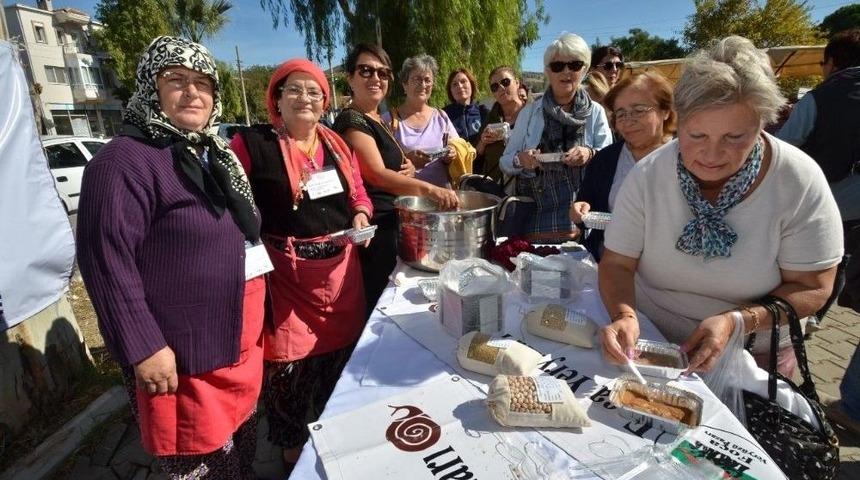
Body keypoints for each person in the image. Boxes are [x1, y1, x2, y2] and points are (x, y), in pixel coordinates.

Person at [598, 36, 843, 381]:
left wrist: (738, 321)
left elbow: (813, 286)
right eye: (697, 136)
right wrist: (624, 315)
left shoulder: (798, 180)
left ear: (762, 124)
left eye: (734, 137)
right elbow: (617, 264)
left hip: (754, 349)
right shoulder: (648, 174)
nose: (712, 155)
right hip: (653, 341)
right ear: (679, 121)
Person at [76, 36, 264, 479]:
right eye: (175, 79)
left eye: (203, 82)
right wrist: (144, 346)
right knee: (204, 464)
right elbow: (105, 261)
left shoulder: (212, 151)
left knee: (242, 453)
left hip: (234, 343)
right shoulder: (123, 162)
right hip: (180, 357)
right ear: (150, 87)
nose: (193, 92)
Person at [228, 58, 372, 468]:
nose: (304, 98)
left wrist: (361, 215)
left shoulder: (337, 145)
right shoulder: (251, 144)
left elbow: (358, 193)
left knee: (338, 372)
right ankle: (292, 459)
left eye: (313, 91)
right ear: (276, 98)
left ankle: (336, 449)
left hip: (341, 275)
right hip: (287, 281)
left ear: (324, 101)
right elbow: (229, 198)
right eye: (293, 89)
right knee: (289, 379)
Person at [334, 44, 459, 315]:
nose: (376, 78)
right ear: (350, 78)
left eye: (383, 73)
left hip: (394, 225)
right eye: (366, 71)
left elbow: (391, 165)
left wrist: (409, 167)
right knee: (384, 310)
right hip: (377, 230)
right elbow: (376, 175)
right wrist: (431, 190)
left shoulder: (375, 119)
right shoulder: (352, 120)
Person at [500, 33, 613, 242]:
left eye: (575, 65)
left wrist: (589, 153)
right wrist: (521, 159)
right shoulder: (530, 113)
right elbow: (505, 162)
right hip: (536, 221)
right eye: (558, 66)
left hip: (582, 219)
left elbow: (609, 160)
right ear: (547, 72)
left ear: (584, 70)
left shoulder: (595, 111)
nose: (566, 72)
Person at [570, 72, 676, 261]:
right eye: (621, 113)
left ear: (665, 111)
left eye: (639, 110)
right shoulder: (604, 160)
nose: (628, 120)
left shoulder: (689, 159)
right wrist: (580, 211)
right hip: (610, 266)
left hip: (670, 268)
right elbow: (586, 208)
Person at [385, 54, 460, 187]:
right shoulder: (388, 120)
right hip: (408, 196)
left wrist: (451, 155)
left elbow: (458, 147)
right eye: (417, 79)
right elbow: (379, 165)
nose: (423, 85)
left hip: (442, 196)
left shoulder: (441, 117)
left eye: (427, 80)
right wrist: (407, 158)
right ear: (405, 84)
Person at [474, 66, 528, 184]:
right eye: (495, 87)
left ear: (517, 83)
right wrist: (483, 142)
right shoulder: (491, 119)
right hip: (496, 186)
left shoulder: (534, 113)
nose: (501, 88)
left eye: (505, 82)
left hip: (530, 185)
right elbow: (476, 154)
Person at [443, 68, 489, 147]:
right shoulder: (443, 116)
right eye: (454, 84)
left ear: (471, 84)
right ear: (450, 91)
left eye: (463, 81)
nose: (460, 86)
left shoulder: (483, 112)